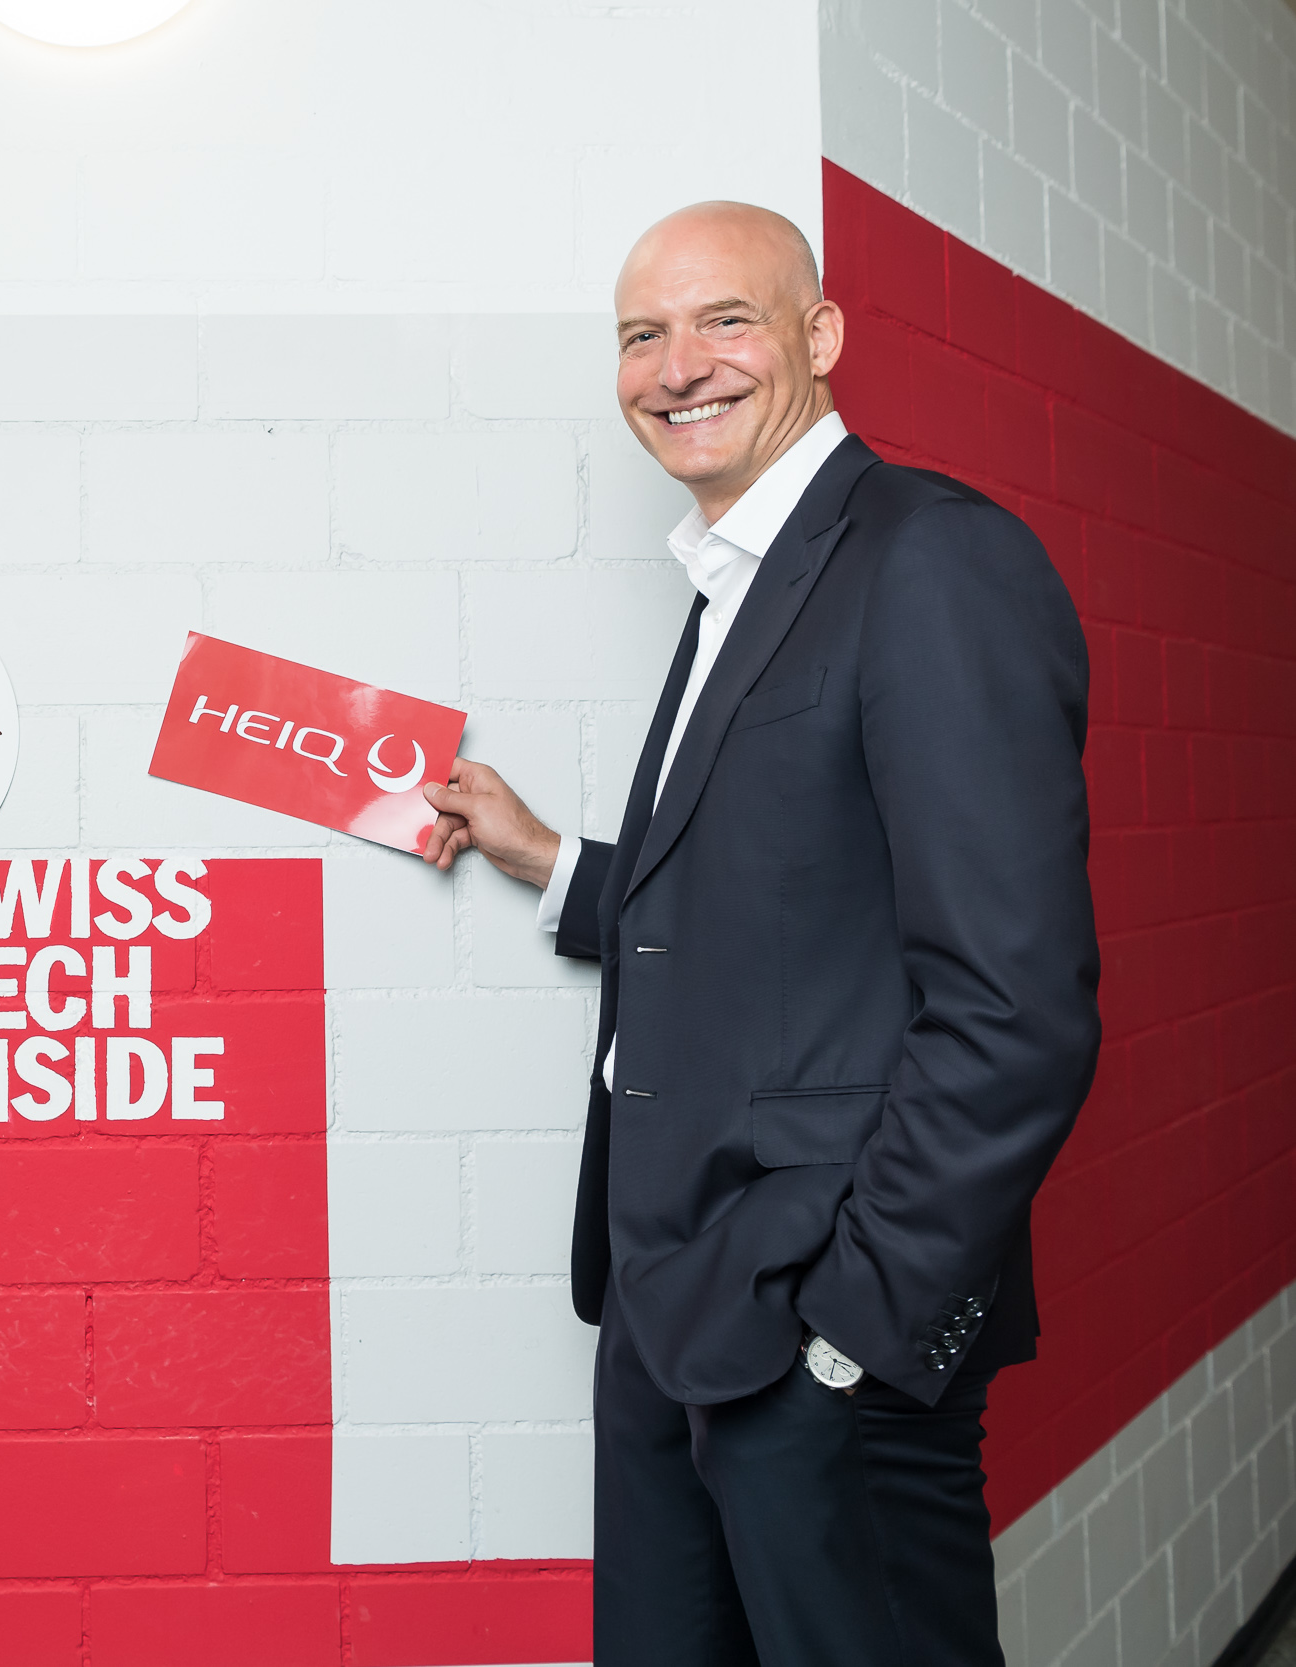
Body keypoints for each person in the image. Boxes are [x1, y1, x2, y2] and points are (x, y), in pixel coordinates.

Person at [423, 203, 1099, 1665]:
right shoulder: (736, 578)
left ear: (820, 334)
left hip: (818, 1337)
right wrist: (553, 860)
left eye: (724, 320)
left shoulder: (932, 560)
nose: (678, 367)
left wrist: (856, 1332)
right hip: (669, 1308)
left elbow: (1016, 1002)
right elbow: (788, 903)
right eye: (642, 336)